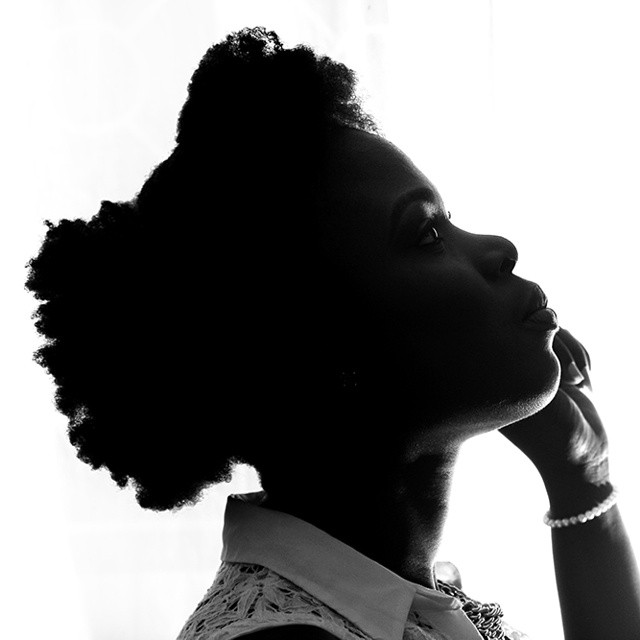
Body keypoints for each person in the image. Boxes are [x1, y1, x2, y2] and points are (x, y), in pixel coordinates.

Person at [25, 26, 640, 640]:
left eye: (449, 222)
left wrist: (581, 478)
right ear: (321, 352)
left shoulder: (404, 603)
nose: (500, 247)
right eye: (426, 234)